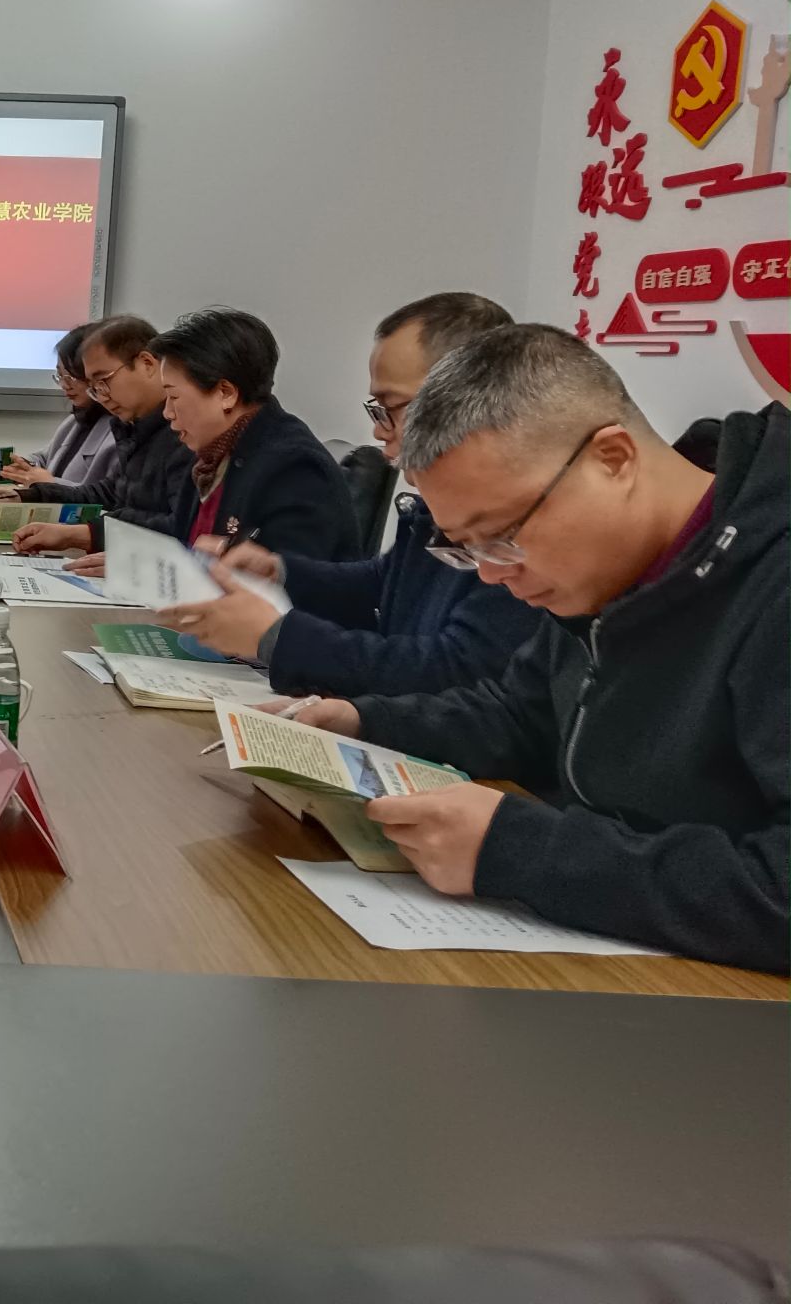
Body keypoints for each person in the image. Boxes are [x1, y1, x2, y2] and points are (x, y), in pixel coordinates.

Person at [279, 326, 787, 973]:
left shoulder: (771, 578)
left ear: (613, 459)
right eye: (465, 547)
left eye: (503, 534)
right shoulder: (603, 569)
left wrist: (520, 851)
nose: (492, 574)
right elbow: (522, 714)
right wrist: (362, 722)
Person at [157, 292, 539, 696]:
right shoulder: (436, 509)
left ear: (468, 399)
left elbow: (456, 671)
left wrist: (278, 639)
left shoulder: (517, 524)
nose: (377, 430)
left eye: (390, 407)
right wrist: (279, 571)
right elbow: (384, 579)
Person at [17, 307, 354, 565]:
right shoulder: (215, 455)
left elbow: (283, 591)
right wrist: (140, 565)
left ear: (225, 393)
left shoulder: (291, 465)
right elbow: (182, 541)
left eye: (174, 397)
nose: (167, 413)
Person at [4, 315, 190, 551]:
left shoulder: (184, 432)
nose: (101, 396)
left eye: (104, 380)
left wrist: (85, 535)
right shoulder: (135, 426)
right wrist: (29, 496)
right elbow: (109, 494)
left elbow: (181, 527)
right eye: (93, 388)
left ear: (147, 363)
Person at [0, 322, 120, 505]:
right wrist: (24, 467)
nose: (65, 385)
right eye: (60, 376)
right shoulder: (75, 420)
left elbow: (107, 497)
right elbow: (45, 458)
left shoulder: (120, 428)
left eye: (71, 376)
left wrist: (49, 484)